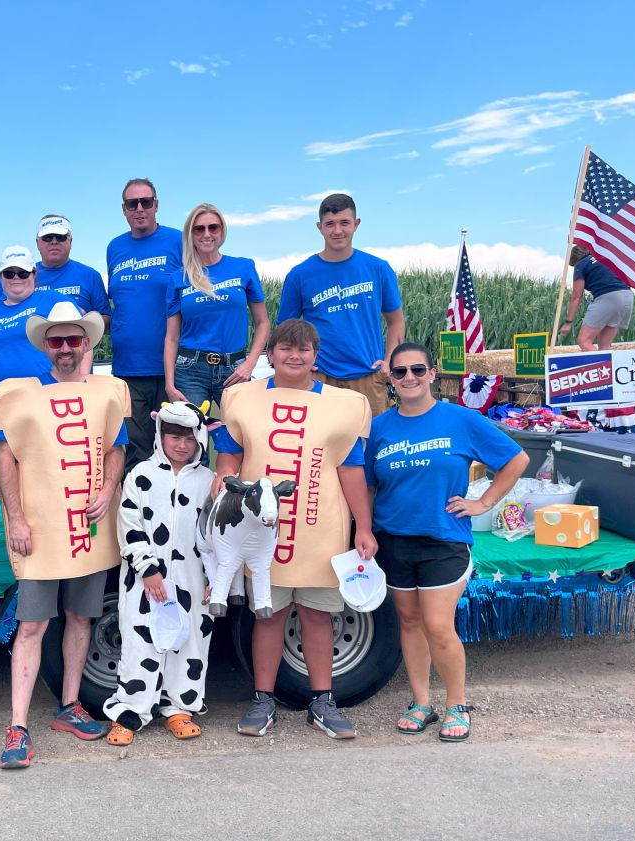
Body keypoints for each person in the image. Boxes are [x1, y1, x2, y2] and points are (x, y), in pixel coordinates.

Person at [212, 318, 374, 740]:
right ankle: (263, 699)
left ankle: (323, 700)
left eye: (303, 350)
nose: (294, 356)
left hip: (322, 529)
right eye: (286, 348)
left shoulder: (344, 404)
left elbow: (351, 470)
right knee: (268, 616)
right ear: (270, 354)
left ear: (315, 357)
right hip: (260, 533)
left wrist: (364, 528)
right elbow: (229, 454)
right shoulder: (240, 398)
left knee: (318, 617)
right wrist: (222, 475)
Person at [0, 301, 131, 769]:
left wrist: (109, 487)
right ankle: (18, 726)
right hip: (40, 533)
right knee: (31, 626)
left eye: (74, 339)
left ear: (86, 342)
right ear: (45, 345)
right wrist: (16, 518)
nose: (65, 348)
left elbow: (116, 447)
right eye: (56, 340)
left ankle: (69, 707)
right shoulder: (17, 394)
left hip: (88, 530)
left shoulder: (108, 393)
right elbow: (4, 457)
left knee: (80, 618)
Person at [366, 342, 527, 742]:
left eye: (417, 370)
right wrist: (365, 529)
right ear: (391, 378)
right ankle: (422, 702)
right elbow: (369, 485)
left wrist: (484, 502)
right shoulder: (380, 427)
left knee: (438, 625)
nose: (409, 378)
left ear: (433, 374)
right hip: (394, 540)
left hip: (444, 539)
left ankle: (457, 703)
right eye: (400, 372)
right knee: (410, 621)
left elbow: (516, 460)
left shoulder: (460, 420)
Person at [103, 401, 216, 746]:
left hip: (192, 579)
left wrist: (216, 579)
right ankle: (130, 710)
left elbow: (216, 534)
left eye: (189, 438)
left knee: (191, 641)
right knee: (140, 643)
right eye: (174, 436)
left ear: (200, 440)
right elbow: (129, 525)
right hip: (144, 581)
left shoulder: (208, 481)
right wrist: (148, 569)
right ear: (160, 435)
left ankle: (180, 707)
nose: (181, 445)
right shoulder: (140, 475)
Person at [277, 193, 405, 417]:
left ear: (356, 224)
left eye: (344, 223)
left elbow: (396, 321)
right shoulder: (300, 275)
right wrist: (301, 364)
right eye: (330, 224)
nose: (337, 231)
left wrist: (389, 362)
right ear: (319, 227)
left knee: (371, 446)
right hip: (319, 377)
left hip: (369, 376)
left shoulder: (378, 269)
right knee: (318, 447)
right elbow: (284, 330)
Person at [106, 178, 184, 467]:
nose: (139, 209)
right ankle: (136, 510)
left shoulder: (178, 240)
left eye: (145, 202)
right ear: (124, 209)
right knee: (136, 451)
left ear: (156, 206)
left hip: (172, 368)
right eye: (132, 203)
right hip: (128, 367)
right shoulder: (115, 248)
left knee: (176, 447)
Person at [164, 203, 270, 408]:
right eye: (199, 229)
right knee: (190, 437)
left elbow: (263, 322)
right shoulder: (179, 278)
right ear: (190, 234)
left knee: (240, 435)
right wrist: (169, 384)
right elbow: (172, 337)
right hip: (190, 371)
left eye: (213, 227)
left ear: (222, 231)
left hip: (235, 369)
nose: (206, 234)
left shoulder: (244, 267)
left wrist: (249, 364)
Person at [0, 245, 73, 397]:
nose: (16, 278)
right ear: (0, 277)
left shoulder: (52, 300)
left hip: (45, 399)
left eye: (23, 273)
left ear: (34, 275)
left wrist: (78, 386)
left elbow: (82, 339)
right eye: (9, 273)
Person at [34, 214, 111, 329]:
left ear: (70, 241)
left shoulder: (90, 275)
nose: (54, 242)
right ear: (37, 243)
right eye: (47, 237)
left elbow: (108, 319)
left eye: (61, 237)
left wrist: (86, 320)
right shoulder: (22, 276)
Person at [559, 245, 635, 351]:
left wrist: (568, 322)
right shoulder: (604, 259)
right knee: (605, 346)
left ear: (574, 258)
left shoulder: (581, 264)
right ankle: (608, 367)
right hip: (627, 297)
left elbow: (577, 295)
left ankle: (599, 366)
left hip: (608, 297)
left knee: (584, 340)